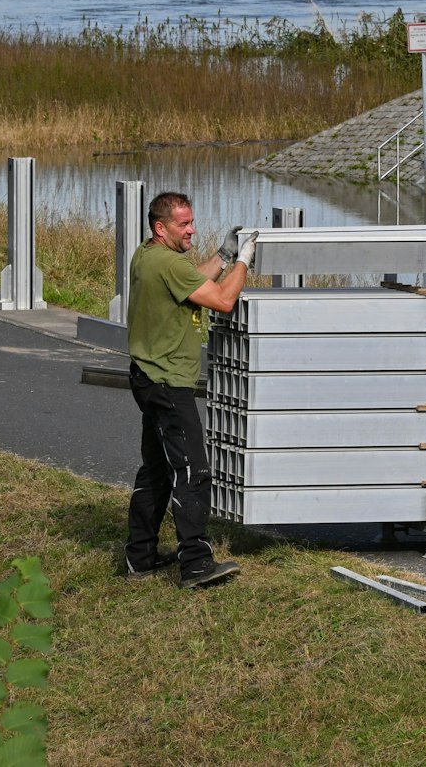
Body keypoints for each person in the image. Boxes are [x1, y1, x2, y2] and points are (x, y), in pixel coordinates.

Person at [123, 191, 253, 588]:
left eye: (192, 222)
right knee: (192, 471)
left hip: (146, 375)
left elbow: (191, 280)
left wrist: (223, 256)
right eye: (183, 224)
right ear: (160, 227)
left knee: (158, 471)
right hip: (168, 384)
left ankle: (139, 558)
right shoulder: (169, 262)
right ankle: (196, 564)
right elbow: (223, 300)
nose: (191, 229)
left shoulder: (147, 255)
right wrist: (245, 261)